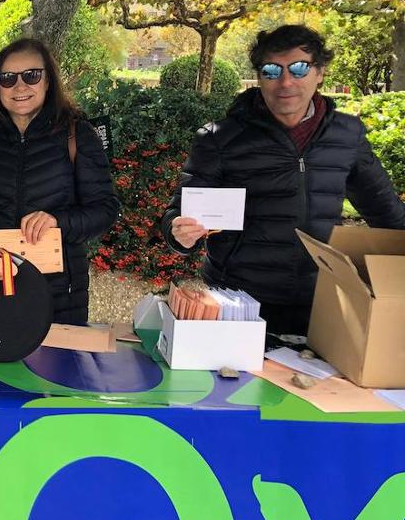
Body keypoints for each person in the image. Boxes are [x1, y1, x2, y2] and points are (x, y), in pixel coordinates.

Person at [162, 25, 405, 335]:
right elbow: (178, 214)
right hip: (238, 302)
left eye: (300, 68)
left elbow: (388, 217)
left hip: (322, 301)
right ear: (260, 77)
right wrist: (178, 234)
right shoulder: (220, 138)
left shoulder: (347, 136)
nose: (286, 81)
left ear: (320, 73)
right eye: (272, 70)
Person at [0, 38, 119, 323]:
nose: (20, 87)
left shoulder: (77, 135)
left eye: (31, 75)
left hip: (60, 296)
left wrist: (57, 221)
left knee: (54, 368)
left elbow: (105, 209)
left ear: (48, 80)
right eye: (7, 78)